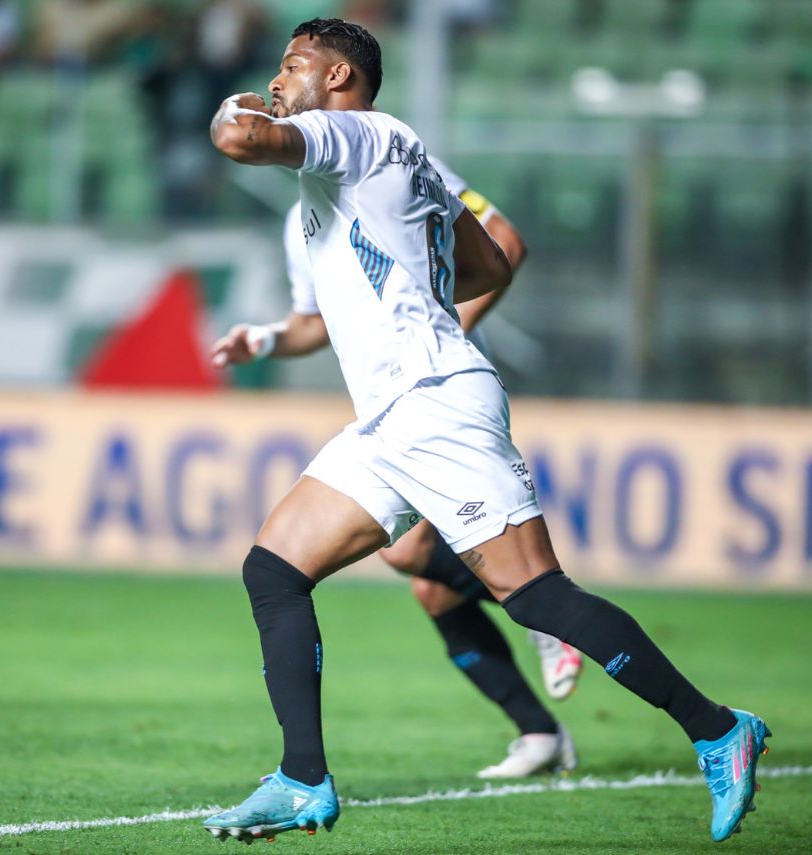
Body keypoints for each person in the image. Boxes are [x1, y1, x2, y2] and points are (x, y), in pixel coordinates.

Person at [202, 17, 769, 845]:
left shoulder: (349, 133)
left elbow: (236, 135)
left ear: (338, 79)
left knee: (536, 593)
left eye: (295, 65)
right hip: (393, 414)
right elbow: (492, 264)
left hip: (433, 402)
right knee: (275, 567)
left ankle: (719, 729)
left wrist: (242, 101)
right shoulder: (397, 151)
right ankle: (301, 777)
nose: (280, 78)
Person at [212, 160, 584, 779]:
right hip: (391, 406)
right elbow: (313, 324)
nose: (280, 95)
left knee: (407, 553)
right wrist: (269, 339)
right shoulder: (297, 218)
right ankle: (539, 730)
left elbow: (506, 242)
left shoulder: (391, 165)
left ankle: (549, 620)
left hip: (443, 399)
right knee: (434, 587)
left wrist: (433, 344)